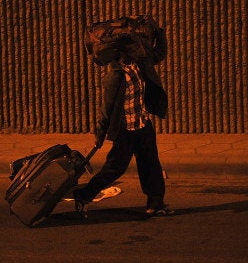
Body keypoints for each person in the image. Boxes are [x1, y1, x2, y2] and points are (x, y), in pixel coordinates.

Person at [74, 34, 174, 217]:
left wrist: (159, 33)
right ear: (122, 54)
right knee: (115, 168)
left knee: (151, 165)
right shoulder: (116, 77)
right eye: (133, 49)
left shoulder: (140, 64)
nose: (137, 51)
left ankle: (156, 203)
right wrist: (100, 133)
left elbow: (158, 54)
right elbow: (107, 108)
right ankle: (84, 195)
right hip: (125, 131)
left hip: (143, 125)